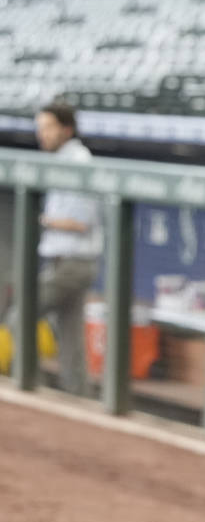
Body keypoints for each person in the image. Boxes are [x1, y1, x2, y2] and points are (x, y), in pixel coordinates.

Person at [34, 99, 101, 396]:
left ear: (67, 129)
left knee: (20, 317)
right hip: (63, 260)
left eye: (49, 127)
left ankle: (30, 389)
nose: (43, 134)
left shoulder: (79, 162)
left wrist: (44, 220)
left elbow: (81, 221)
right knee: (71, 336)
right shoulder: (60, 160)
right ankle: (78, 396)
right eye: (40, 128)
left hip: (74, 262)